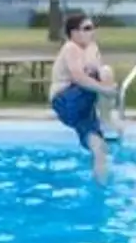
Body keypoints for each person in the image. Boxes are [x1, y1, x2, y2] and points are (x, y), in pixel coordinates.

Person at [50, 13, 118, 182]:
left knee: (99, 148)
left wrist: (106, 89)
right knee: (106, 71)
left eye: (92, 28)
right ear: (74, 33)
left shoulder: (92, 48)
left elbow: (97, 72)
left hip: (82, 106)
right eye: (87, 28)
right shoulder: (71, 47)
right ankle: (107, 120)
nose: (91, 32)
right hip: (66, 99)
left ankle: (100, 186)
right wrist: (105, 90)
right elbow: (78, 77)